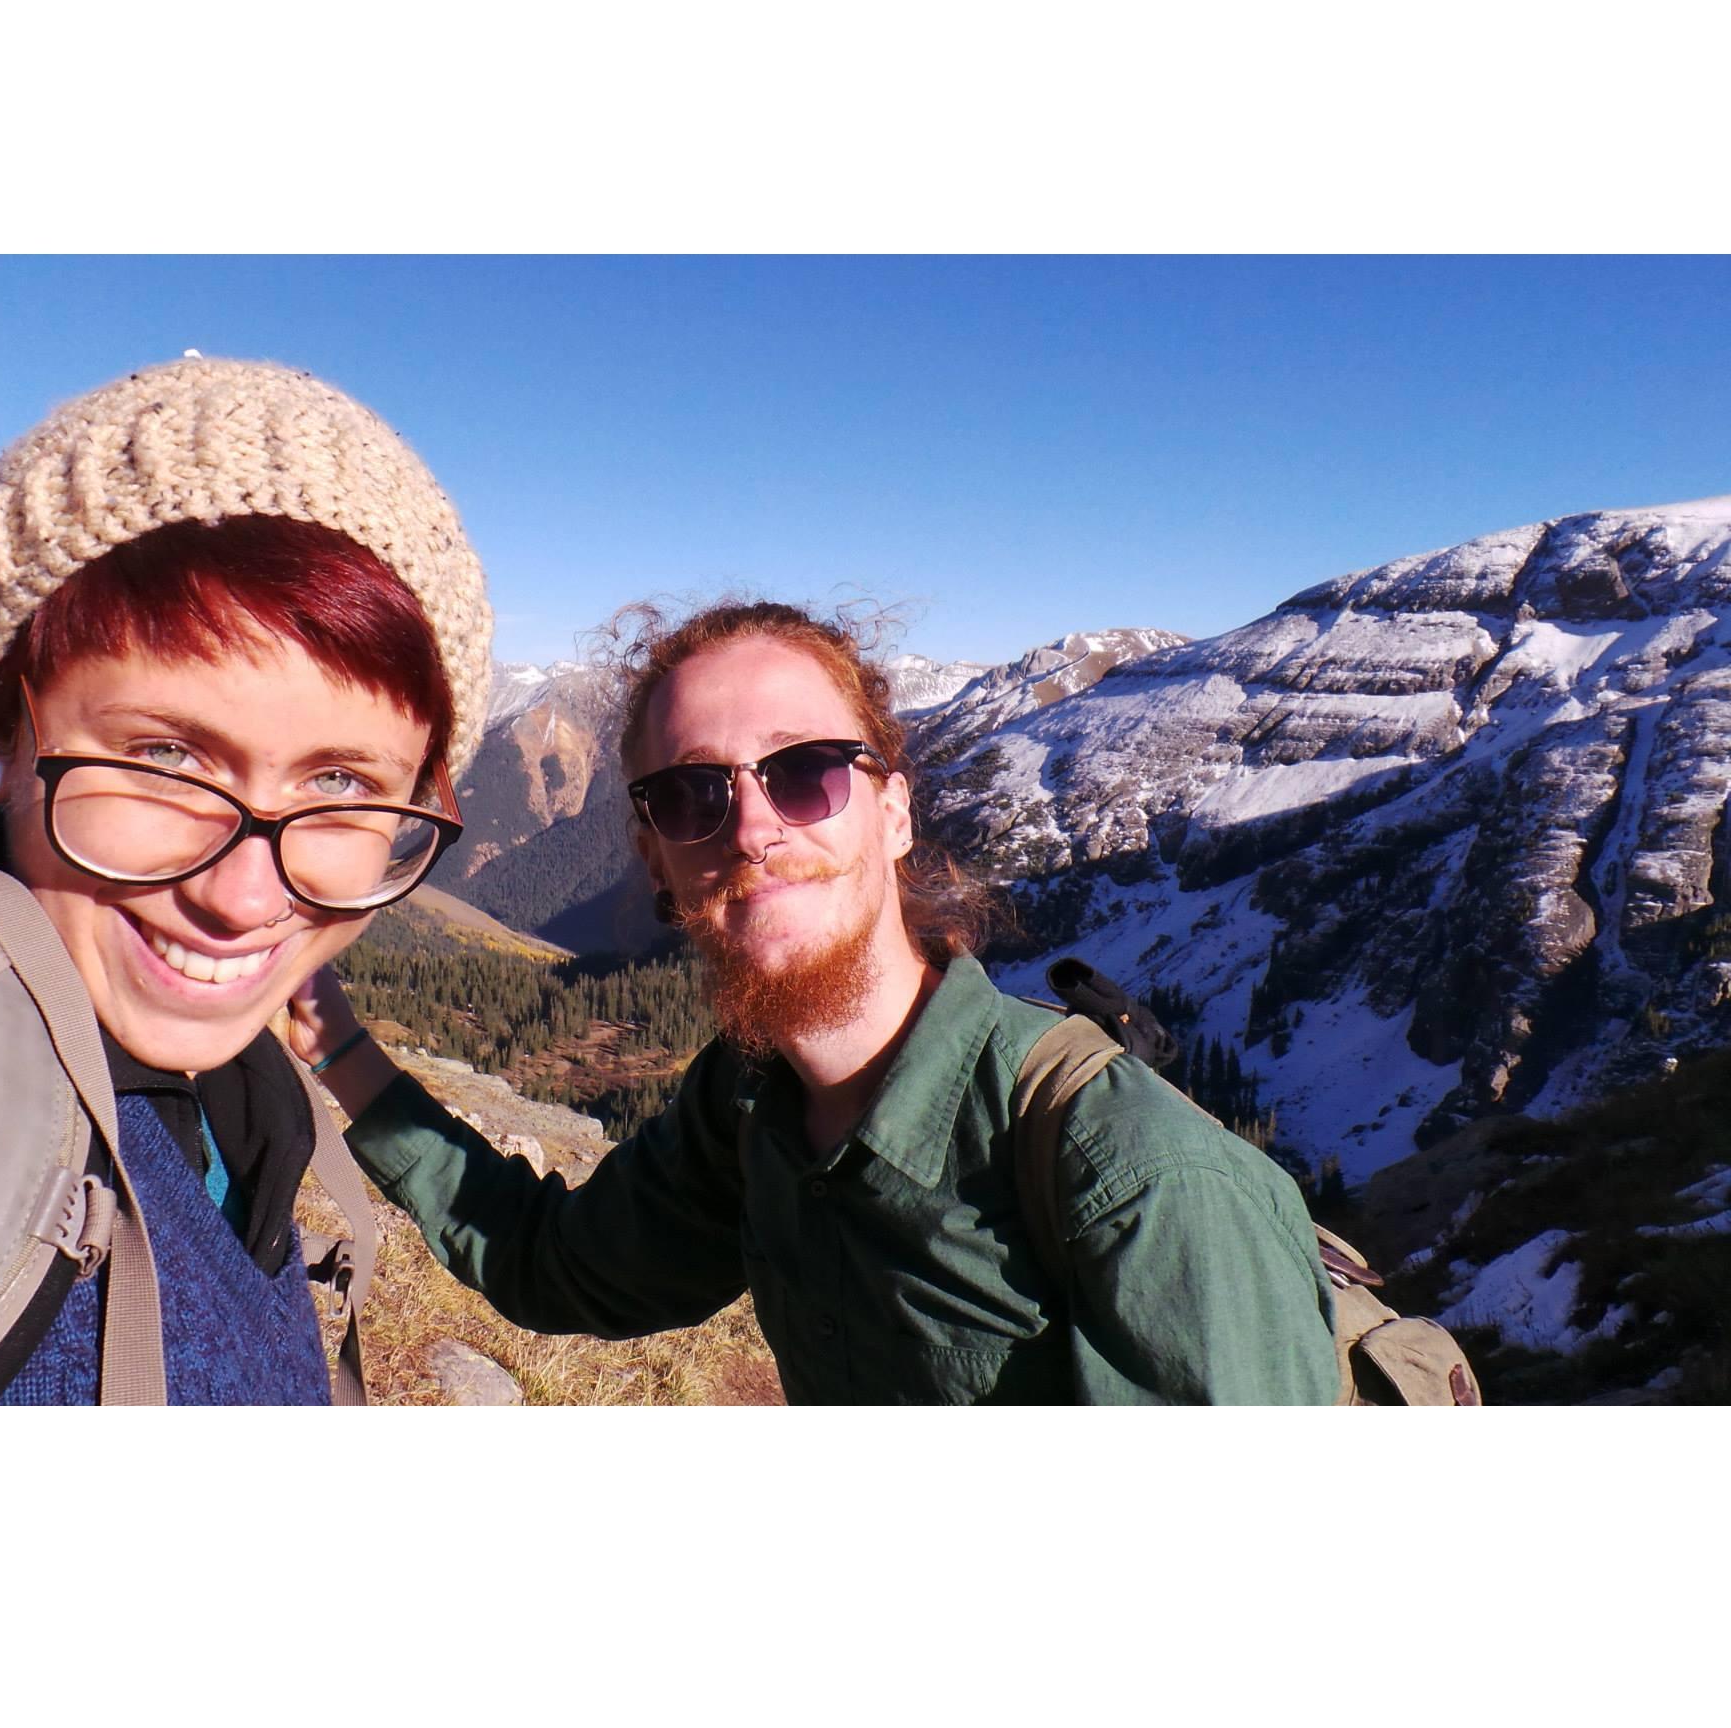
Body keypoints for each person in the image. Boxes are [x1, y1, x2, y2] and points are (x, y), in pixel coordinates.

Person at [0, 357, 491, 1404]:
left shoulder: (240, 1102)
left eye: (341, 780)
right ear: (6, 736)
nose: (245, 899)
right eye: (164, 757)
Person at [295, 600, 1340, 1403]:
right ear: (658, 862)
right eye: (690, 794)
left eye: (805, 774)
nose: (750, 827)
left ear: (890, 812)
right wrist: (334, 1037)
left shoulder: (1136, 1179)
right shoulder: (749, 1108)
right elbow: (552, 1266)